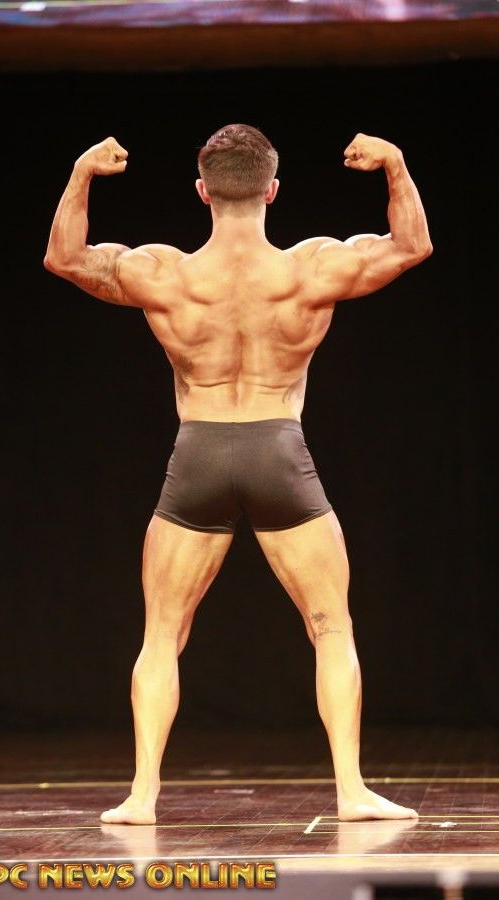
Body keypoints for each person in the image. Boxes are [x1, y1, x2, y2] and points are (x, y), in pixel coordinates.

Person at [44, 124, 432, 824]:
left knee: (162, 633)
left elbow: (64, 258)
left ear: (202, 192)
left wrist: (81, 173)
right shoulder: (310, 269)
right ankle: (350, 791)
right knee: (330, 626)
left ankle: (141, 796)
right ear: (272, 190)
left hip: (198, 454)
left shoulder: (166, 273)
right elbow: (411, 246)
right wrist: (395, 165)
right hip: (279, 452)